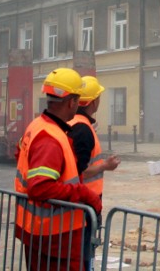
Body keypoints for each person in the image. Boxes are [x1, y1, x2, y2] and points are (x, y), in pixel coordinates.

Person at [14, 68, 101, 271]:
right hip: (56, 238)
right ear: (71, 102)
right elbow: (40, 187)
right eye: (77, 100)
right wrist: (82, 192)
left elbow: (20, 155)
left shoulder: (37, 125)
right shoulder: (50, 138)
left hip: (39, 232)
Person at [69, 75, 120, 270]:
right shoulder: (82, 129)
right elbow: (79, 171)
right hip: (84, 203)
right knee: (84, 253)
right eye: (98, 96)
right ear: (92, 102)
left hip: (80, 202)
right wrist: (105, 166)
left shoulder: (74, 122)